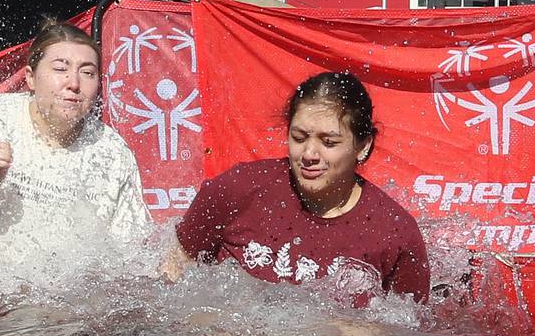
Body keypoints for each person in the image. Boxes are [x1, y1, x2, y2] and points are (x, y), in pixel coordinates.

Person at [0, 18, 152, 331]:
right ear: (31, 78)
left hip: (52, 306)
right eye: (60, 68)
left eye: (88, 72)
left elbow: (128, 261)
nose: (74, 82)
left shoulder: (112, 153)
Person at [169, 71, 430, 305]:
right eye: (299, 138)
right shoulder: (236, 190)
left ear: (362, 146)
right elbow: (171, 279)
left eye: (328, 142)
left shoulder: (395, 233)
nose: (309, 154)